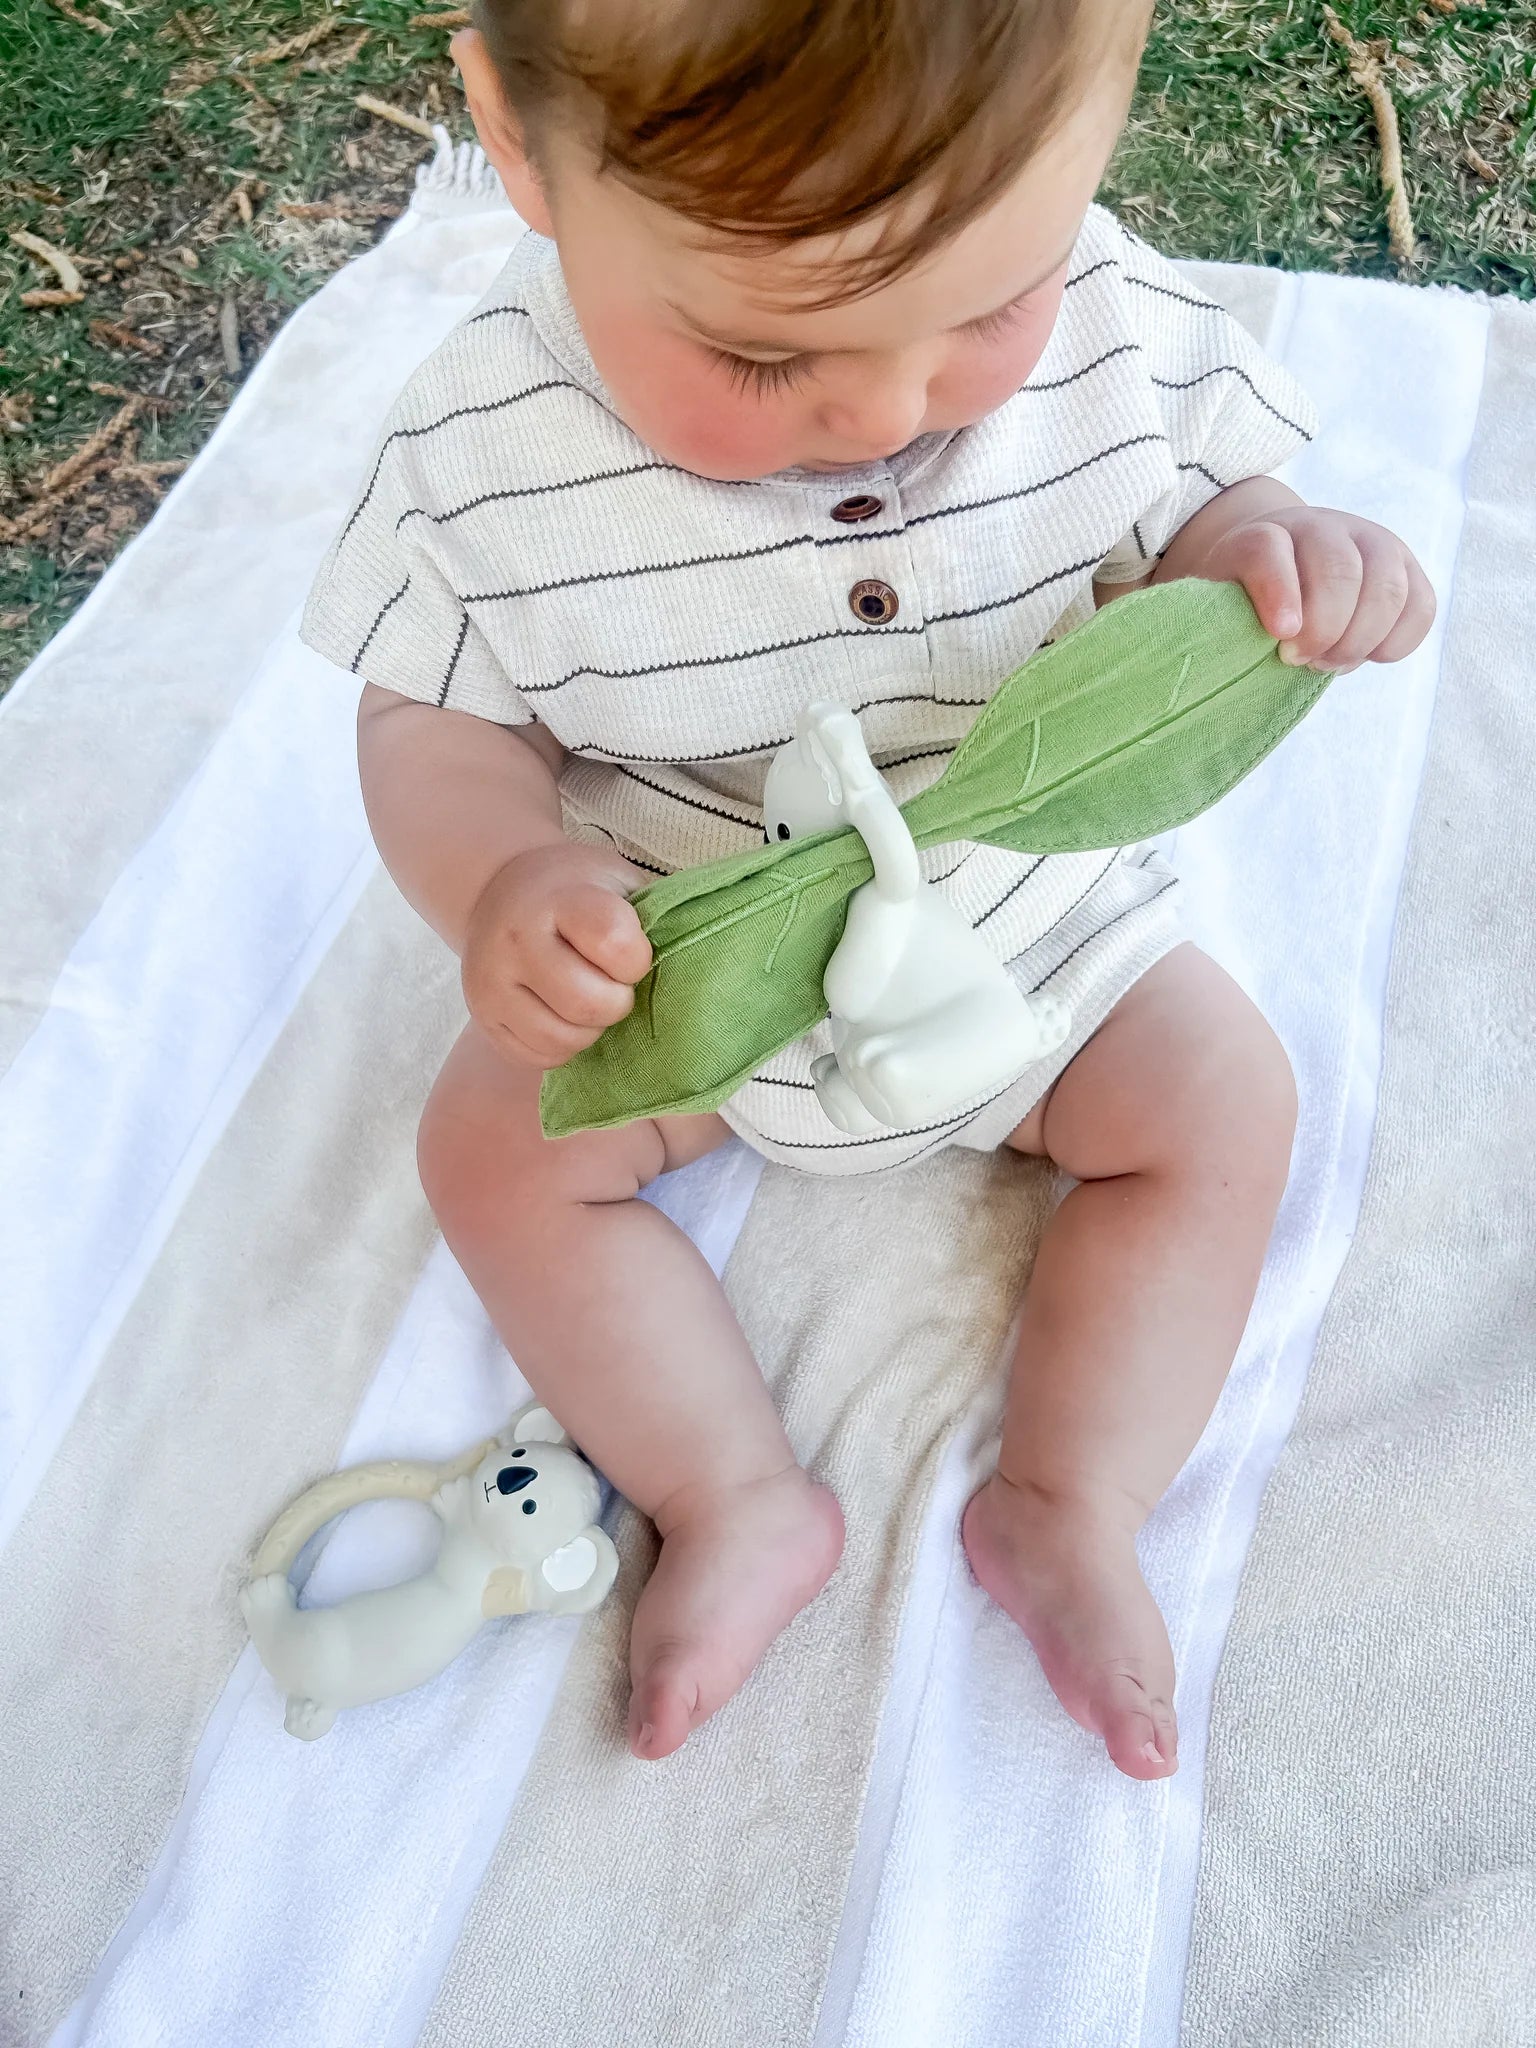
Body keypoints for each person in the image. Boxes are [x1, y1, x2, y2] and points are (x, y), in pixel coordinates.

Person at [302, 0, 1434, 1779]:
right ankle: (729, 1491)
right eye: (762, 358)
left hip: (1019, 896)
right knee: (493, 1153)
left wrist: (1271, 559)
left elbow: (1211, 504)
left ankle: (1072, 1497)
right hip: (678, 935)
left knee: (1222, 1105)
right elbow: (430, 722)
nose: (887, 407)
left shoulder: (1121, 326)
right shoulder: (483, 453)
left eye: (993, 306)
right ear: (518, 149)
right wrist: (507, 877)